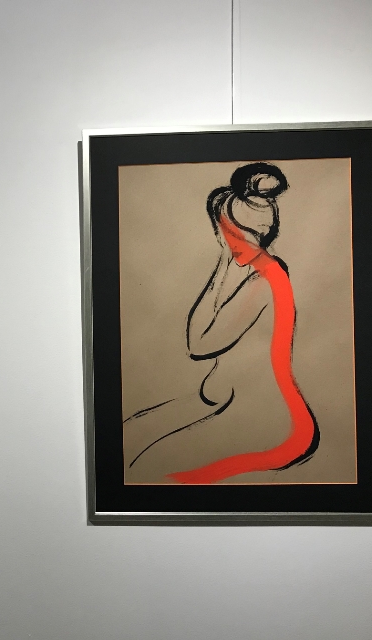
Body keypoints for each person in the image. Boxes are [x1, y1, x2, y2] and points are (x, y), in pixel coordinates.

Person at [123, 163, 318, 483]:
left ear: (259, 231)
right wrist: (224, 263)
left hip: (275, 425)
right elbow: (196, 337)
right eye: (224, 232)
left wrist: (225, 263)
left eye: (236, 234)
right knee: (128, 435)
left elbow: (199, 345)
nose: (229, 240)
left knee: (155, 473)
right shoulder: (247, 272)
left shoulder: (269, 278)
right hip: (218, 399)